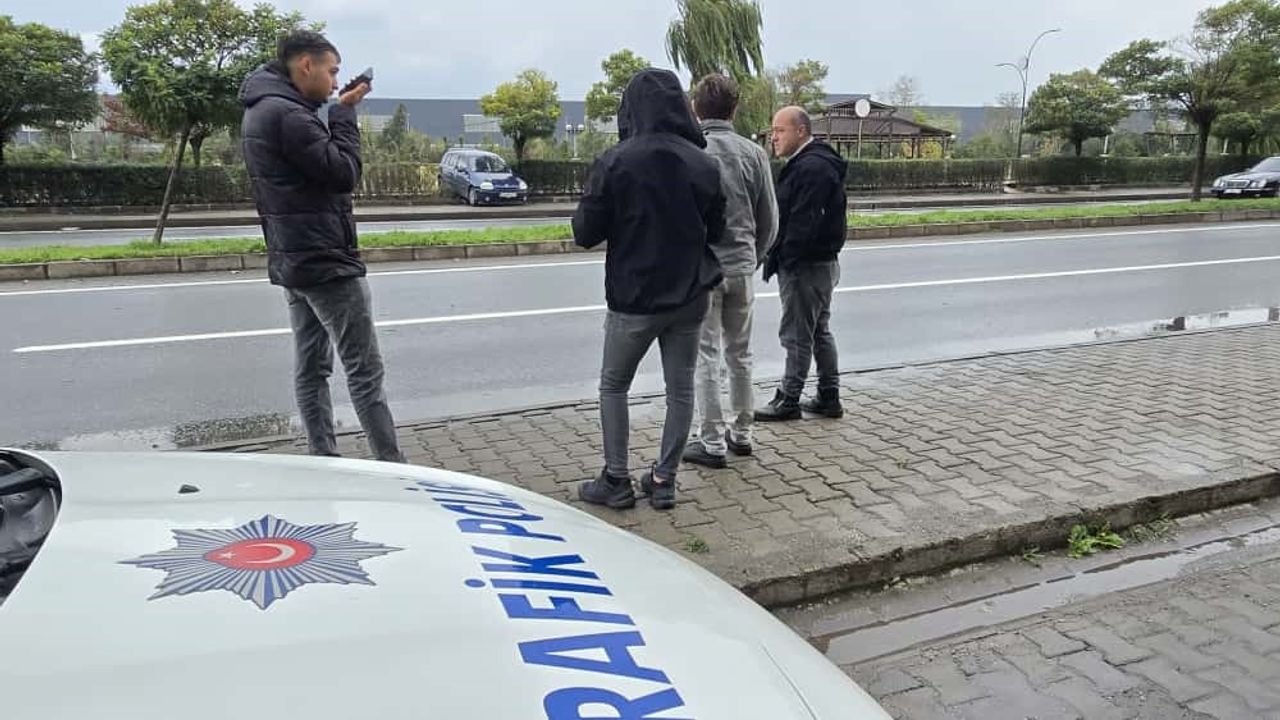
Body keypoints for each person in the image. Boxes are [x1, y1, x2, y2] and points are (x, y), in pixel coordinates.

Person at [239, 30, 404, 463]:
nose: (334, 83)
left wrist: (332, 109)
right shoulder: (288, 115)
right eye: (331, 72)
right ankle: (393, 467)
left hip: (294, 259)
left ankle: (323, 457)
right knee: (364, 371)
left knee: (312, 368)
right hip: (325, 261)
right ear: (305, 65)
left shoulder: (263, 108)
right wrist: (344, 114)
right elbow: (343, 173)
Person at [573, 68, 726, 510]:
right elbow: (717, 230)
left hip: (635, 297)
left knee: (613, 385)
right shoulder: (704, 163)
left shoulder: (616, 161)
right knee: (680, 388)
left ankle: (616, 479)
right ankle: (663, 479)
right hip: (692, 294)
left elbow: (585, 232)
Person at [682, 74, 778, 469]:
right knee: (741, 354)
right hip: (741, 266)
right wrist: (754, 256)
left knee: (706, 356)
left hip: (703, 270)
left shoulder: (690, 151)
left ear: (695, 108)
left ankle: (712, 441)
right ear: (735, 109)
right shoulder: (754, 154)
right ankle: (743, 433)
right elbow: (769, 218)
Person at [756, 106, 848, 422]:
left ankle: (789, 398)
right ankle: (828, 395)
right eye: (773, 130)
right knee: (819, 330)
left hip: (805, 266)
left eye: (780, 130)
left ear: (801, 131)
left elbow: (802, 222)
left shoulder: (811, 168)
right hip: (821, 262)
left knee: (796, 333)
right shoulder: (816, 163)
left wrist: (785, 258)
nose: (773, 137)